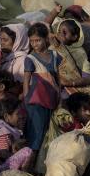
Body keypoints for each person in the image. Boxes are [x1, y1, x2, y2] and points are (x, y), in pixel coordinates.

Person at [23, 23, 62, 158]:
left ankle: (41, 164)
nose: (35, 44)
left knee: (48, 132)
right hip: (36, 101)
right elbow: (26, 81)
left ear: (46, 39)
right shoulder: (30, 58)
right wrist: (27, 99)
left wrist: (60, 95)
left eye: (38, 40)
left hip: (52, 98)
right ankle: (29, 163)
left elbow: (58, 78)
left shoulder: (55, 55)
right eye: (32, 41)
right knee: (37, 134)